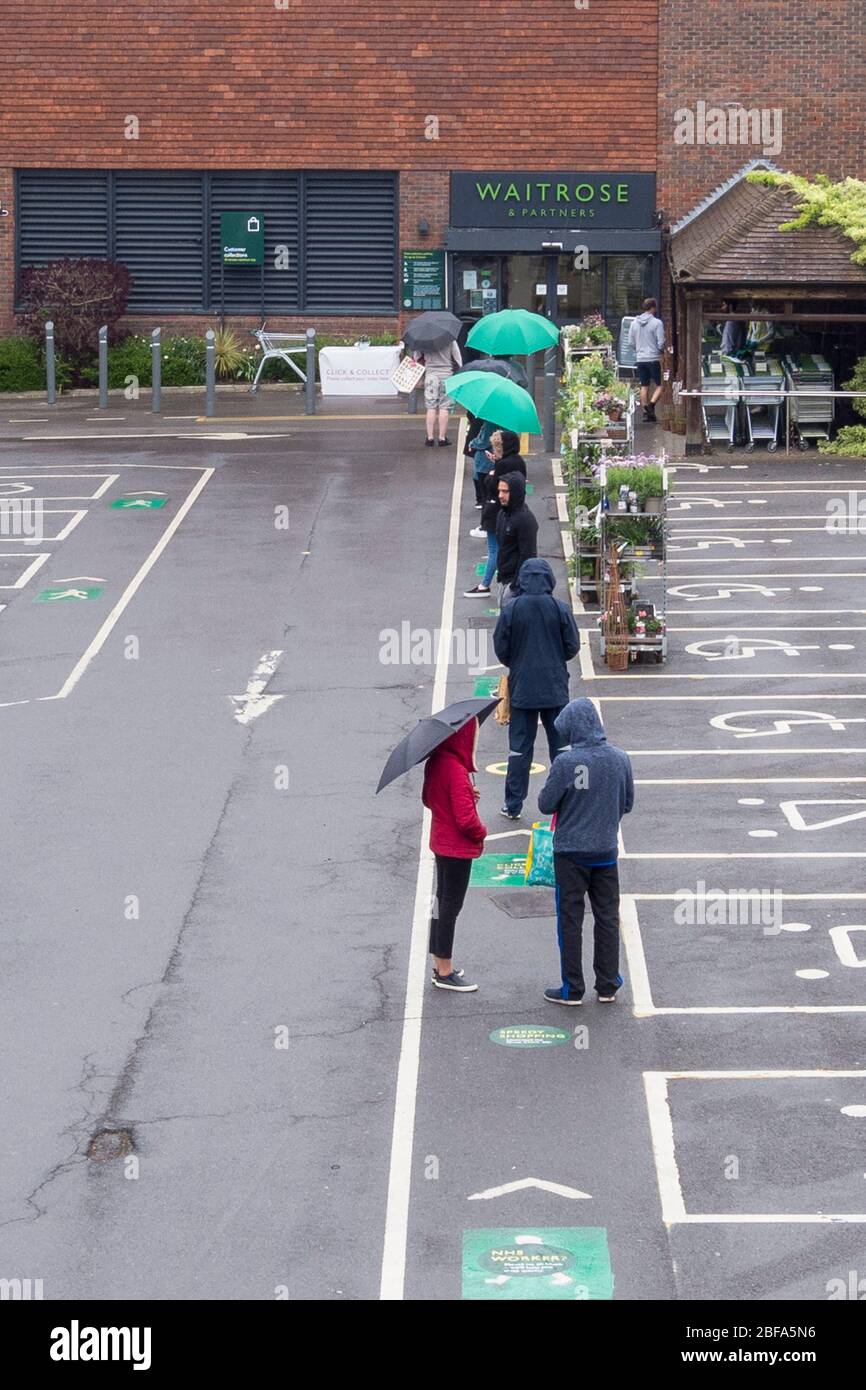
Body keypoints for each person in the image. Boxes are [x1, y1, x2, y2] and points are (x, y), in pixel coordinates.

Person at [537, 699, 634, 1005]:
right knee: (607, 917)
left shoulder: (566, 763)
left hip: (571, 854)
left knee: (570, 920)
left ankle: (572, 988)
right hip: (605, 851)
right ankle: (607, 984)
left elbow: (545, 804)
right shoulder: (620, 759)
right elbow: (627, 803)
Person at [493, 559, 580, 821]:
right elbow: (572, 645)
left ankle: (513, 804)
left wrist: (517, 663)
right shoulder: (559, 608)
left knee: (520, 749)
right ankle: (567, 800)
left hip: (522, 690)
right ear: (549, 580)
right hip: (555, 688)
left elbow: (501, 648)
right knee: (562, 749)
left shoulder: (512, 609)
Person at [421, 717, 487, 992]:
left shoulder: (436, 762)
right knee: (451, 906)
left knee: (441, 900)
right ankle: (445, 970)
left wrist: (466, 795)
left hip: (440, 842)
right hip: (457, 848)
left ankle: (438, 962)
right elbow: (467, 822)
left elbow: (428, 799)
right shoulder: (457, 772)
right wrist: (482, 831)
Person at [463, 428, 527, 596]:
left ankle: (484, 585)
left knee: (494, 549)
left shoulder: (503, 465)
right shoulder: (518, 461)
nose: (494, 451)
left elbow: (492, 486)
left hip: (496, 511)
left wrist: (492, 472)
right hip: (514, 510)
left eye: (497, 447)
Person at [494, 469, 537, 608]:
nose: (500, 495)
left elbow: (528, 555)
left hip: (515, 585)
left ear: (516, 492)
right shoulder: (502, 514)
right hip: (504, 580)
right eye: (500, 491)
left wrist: (515, 585)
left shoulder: (525, 520)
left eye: (505, 491)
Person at [419, 337, 462, 447]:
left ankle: (430, 438)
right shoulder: (450, 339)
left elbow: (416, 357)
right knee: (444, 407)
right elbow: (457, 358)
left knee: (431, 407)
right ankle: (442, 438)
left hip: (431, 377)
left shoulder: (424, 340)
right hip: (446, 376)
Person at [628, 296, 665, 423]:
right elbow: (661, 343)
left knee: (644, 385)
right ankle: (651, 406)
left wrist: (639, 350)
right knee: (660, 385)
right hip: (653, 358)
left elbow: (630, 342)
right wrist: (659, 349)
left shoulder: (633, 323)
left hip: (640, 358)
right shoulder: (657, 323)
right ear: (653, 308)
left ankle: (646, 413)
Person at [466, 417, 497, 519]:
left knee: (485, 494)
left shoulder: (490, 423)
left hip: (485, 462)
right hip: (491, 461)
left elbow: (484, 442)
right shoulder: (503, 422)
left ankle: (485, 522)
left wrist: (472, 443)